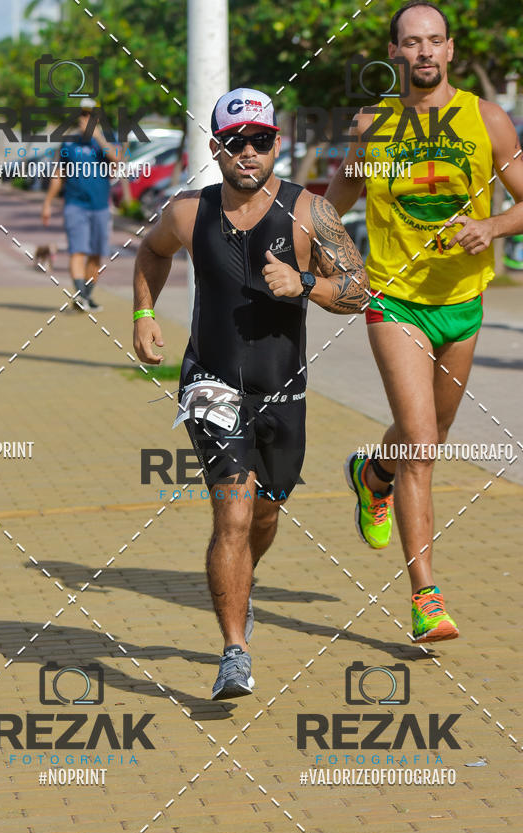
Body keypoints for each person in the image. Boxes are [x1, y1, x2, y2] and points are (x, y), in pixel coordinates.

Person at [133, 88, 368, 700]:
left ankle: (243, 583)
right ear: (216, 147)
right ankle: (234, 651)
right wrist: (143, 313)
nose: (248, 152)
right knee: (233, 512)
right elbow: (151, 251)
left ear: (275, 144)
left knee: (266, 511)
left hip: (283, 391)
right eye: (235, 142)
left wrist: (304, 282)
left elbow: (359, 289)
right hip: (210, 381)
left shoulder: (309, 212)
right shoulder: (187, 211)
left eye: (260, 141)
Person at [325, 0, 523, 643]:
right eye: (412, 42)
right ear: (395, 54)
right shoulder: (373, 125)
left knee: (431, 433)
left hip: (463, 303)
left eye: (435, 40)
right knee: (421, 443)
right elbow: (333, 203)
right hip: (394, 299)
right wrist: (314, 259)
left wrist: (492, 225)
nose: (425, 52)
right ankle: (425, 597)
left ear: (450, 48)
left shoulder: (486, 118)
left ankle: (371, 475)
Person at [42, 100, 118, 312]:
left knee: (96, 255)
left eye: (91, 115)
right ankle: (81, 296)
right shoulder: (68, 144)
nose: (86, 119)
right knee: (78, 251)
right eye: (83, 115)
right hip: (75, 205)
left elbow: (117, 160)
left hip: (100, 206)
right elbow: (58, 175)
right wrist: (47, 203)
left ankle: (85, 296)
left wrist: (98, 137)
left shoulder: (105, 141)